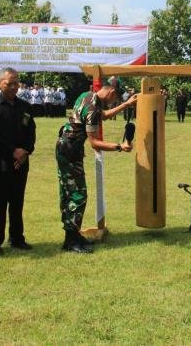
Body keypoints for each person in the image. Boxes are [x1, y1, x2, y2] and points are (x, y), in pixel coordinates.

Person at [55, 77, 138, 253]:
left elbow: (104, 116)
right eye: (116, 99)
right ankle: (70, 241)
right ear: (112, 92)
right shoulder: (93, 107)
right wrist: (120, 147)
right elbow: (94, 143)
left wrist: (126, 104)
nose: (114, 102)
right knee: (77, 195)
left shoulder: (87, 96)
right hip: (69, 151)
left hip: (68, 148)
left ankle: (73, 235)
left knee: (70, 193)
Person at [0, 67, 36, 255]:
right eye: (9, 83)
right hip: (0, 163)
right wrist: (13, 151)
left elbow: (31, 133)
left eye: (16, 83)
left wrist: (25, 152)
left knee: (17, 202)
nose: (14, 87)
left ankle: (17, 238)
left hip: (21, 163)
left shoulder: (25, 107)